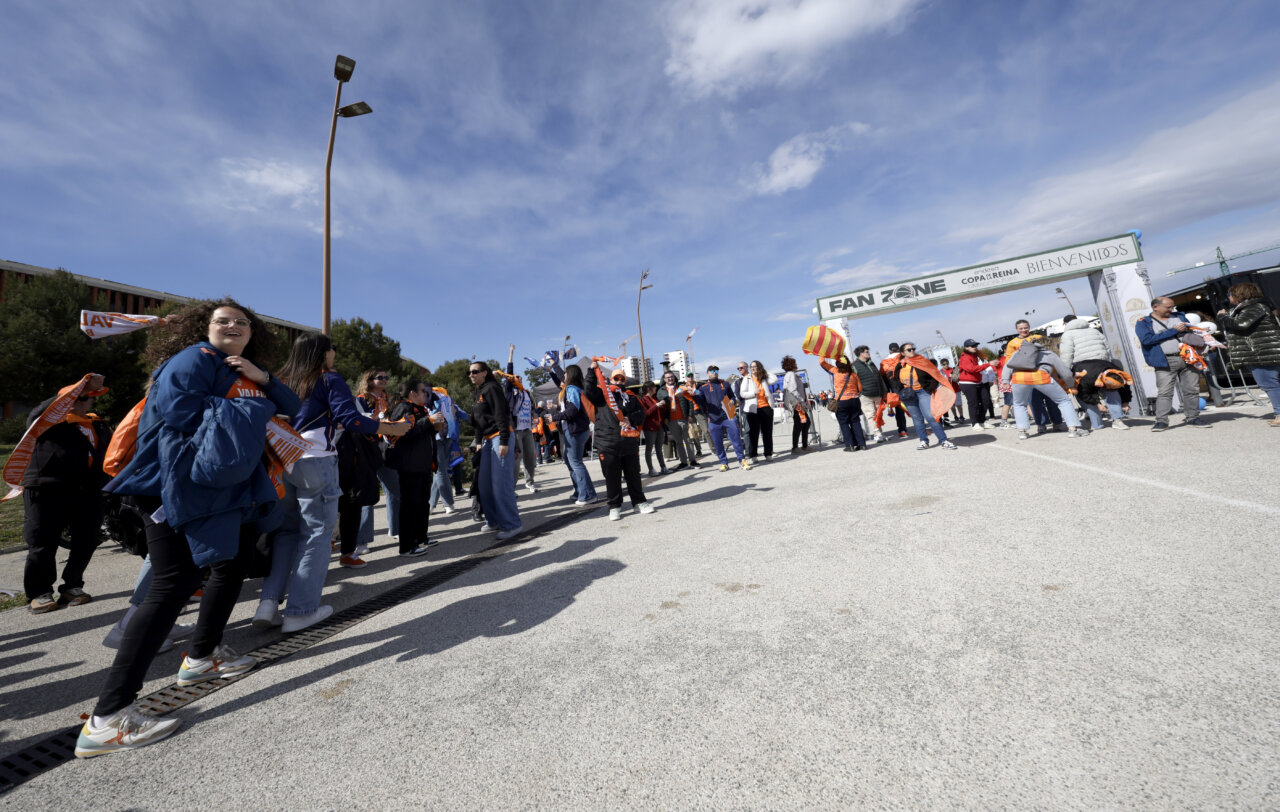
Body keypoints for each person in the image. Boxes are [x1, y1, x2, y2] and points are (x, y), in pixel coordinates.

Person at [76, 298, 299, 758]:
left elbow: (292, 407)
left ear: (252, 332)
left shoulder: (237, 367)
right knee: (172, 584)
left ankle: (201, 658)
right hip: (172, 487)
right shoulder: (194, 359)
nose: (233, 326)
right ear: (205, 326)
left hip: (214, 490)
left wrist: (264, 381)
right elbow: (182, 416)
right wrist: (257, 409)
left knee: (231, 564)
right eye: (223, 320)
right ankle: (107, 719)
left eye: (242, 322)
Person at [256, 333, 405, 632]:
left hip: (282, 461)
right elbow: (351, 418)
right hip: (316, 459)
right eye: (332, 349)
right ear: (323, 353)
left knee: (286, 533)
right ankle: (300, 611)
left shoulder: (281, 379)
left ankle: (268, 605)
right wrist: (391, 427)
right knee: (317, 535)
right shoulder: (327, 378)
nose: (334, 354)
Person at [18, 374, 113, 613]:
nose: (79, 403)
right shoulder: (46, 422)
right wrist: (75, 388)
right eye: (74, 398)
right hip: (47, 489)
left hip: (88, 490)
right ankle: (39, 592)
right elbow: (41, 412)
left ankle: (72, 586)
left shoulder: (97, 423)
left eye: (85, 398)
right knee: (42, 541)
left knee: (87, 539)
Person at [585, 363, 655, 520]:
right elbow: (588, 390)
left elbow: (641, 414)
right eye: (616, 378)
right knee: (612, 476)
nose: (619, 381)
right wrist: (591, 370)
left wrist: (631, 419)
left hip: (628, 441)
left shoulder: (630, 396)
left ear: (625, 381)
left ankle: (639, 502)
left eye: (622, 379)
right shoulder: (601, 394)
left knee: (633, 474)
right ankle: (614, 506)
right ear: (611, 379)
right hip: (607, 442)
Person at [1136, 297, 1209, 431]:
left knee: (1192, 389)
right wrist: (1174, 330)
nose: (1172, 310)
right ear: (1155, 307)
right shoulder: (1144, 322)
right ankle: (1161, 421)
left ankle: (1192, 417)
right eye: (1168, 307)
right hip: (1164, 361)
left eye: (1172, 307)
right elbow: (1147, 340)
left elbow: (1190, 333)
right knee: (1165, 392)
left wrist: (1202, 336)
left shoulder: (1180, 316)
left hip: (1188, 358)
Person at [383, 380, 438, 556]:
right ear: (412, 393)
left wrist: (435, 426)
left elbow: (423, 434)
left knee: (423, 503)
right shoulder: (404, 408)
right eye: (424, 391)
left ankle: (421, 537)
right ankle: (407, 546)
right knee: (410, 505)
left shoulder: (420, 409)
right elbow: (401, 434)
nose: (426, 395)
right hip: (409, 466)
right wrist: (428, 421)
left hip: (422, 465)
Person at [469, 361, 522, 539]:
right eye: (469, 373)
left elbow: (501, 414)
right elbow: (478, 420)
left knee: (501, 484)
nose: (471, 375)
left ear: (485, 373)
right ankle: (493, 521)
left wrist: (505, 441)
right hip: (488, 440)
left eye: (475, 371)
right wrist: (477, 440)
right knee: (484, 484)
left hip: (500, 436)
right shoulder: (478, 392)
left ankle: (512, 524)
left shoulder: (492, 388)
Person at [1000, 335, 1088, 440]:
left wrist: (1005, 380)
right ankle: (1074, 429)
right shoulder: (1048, 353)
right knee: (1063, 401)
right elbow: (1065, 372)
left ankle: (1022, 432)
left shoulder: (1019, 352)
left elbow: (1007, 366)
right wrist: (1071, 384)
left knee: (1019, 404)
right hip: (1040, 377)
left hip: (1018, 378)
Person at [1217, 281, 1280, 425]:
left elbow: (1241, 324)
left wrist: (1223, 317)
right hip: (1260, 351)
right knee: (1270, 383)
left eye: (1229, 294)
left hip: (1262, 352)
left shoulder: (1254, 306)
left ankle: (1279, 413)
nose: (1228, 297)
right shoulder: (1250, 307)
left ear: (1239, 294)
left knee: (1269, 384)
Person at [353, 369, 402, 544]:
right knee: (367, 493)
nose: (384, 380)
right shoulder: (360, 400)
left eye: (386, 377)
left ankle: (395, 529)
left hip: (387, 449)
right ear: (369, 380)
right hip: (367, 448)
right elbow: (357, 421)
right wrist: (377, 420)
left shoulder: (389, 400)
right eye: (380, 377)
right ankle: (363, 541)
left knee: (395, 489)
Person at [1058, 316, 1128, 431]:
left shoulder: (1067, 335)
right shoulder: (1094, 331)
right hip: (1103, 364)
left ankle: (1097, 424)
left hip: (1083, 367)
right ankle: (1117, 420)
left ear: (1066, 324)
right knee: (1110, 390)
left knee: (1086, 394)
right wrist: (1107, 363)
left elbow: (1066, 355)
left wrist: (1065, 372)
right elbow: (1107, 349)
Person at [889, 343, 958, 450]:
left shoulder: (922, 361)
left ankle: (943, 440)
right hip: (908, 394)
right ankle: (923, 441)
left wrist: (929, 388)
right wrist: (900, 390)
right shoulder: (899, 365)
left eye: (913, 349)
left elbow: (934, 374)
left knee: (931, 417)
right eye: (909, 350)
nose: (912, 351)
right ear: (902, 353)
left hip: (923, 392)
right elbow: (895, 379)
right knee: (917, 419)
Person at [550, 363, 599, 503]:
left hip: (575, 431)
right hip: (573, 430)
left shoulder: (571, 389)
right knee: (570, 461)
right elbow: (558, 379)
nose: (563, 375)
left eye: (565, 373)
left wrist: (554, 417)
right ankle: (581, 491)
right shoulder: (572, 388)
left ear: (570, 375)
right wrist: (552, 367)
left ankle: (587, 495)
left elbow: (572, 410)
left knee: (576, 463)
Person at [692, 365, 751, 471]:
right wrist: (693, 395)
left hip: (729, 416)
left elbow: (732, 396)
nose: (714, 372)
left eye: (716, 370)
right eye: (712, 371)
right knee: (717, 442)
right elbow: (700, 401)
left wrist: (732, 400)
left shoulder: (725, 384)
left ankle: (742, 461)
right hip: (713, 419)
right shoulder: (703, 387)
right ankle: (724, 463)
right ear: (708, 374)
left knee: (736, 439)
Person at [503, 345, 538, 492]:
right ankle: (511, 488)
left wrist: (535, 415)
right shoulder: (510, 392)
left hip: (527, 429)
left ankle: (530, 482)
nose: (518, 379)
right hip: (516, 430)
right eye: (516, 378)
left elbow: (531, 409)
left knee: (531, 459)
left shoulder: (526, 393)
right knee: (516, 461)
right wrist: (511, 353)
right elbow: (509, 372)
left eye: (520, 378)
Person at [428, 384, 468, 513]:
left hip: (438, 436)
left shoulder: (427, 399)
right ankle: (439, 503)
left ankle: (439, 504)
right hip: (449, 435)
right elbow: (465, 416)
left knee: (440, 471)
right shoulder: (447, 398)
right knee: (441, 471)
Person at [819, 356, 865, 451]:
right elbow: (860, 389)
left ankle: (850, 445)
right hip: (854, 400)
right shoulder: (853, 374)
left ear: (837, 364)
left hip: (842, 401)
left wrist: (822, 354)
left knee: (844, 423)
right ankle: (862, 444)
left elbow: (822, 363)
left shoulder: (835, 371)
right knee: (855, 422)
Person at [657, 369, 698, 470]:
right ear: (664, 379)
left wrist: (690, 415)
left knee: (688, 441)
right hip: (671, 420)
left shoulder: (681, 387)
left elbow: (690, 401)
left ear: (674, 378)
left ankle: (693, 461)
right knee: (678, 442)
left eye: (671, 377)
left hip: (683, 418)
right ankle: (683, 462)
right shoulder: (661, 391)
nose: (670, 379)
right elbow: (661, 408)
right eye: (668, 377)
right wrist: (664, 418)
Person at [738, 360, 778, 461]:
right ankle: (753, 455)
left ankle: (768, 453)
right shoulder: (747, 379)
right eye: (751, 367)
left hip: (766, 407)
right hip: (753, 409)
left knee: (767, 432)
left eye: (755, 366)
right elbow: (742, 394)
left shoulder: (763, 378)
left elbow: (774, 379)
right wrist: (753, 392)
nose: (753, 368)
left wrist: (764, 371)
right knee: (753, 433)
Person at [850, 346, 888, 443]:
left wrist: (884, 392)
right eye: (866, 352)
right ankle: (877, 434)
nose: (868, 353)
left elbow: (879, 378)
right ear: (861, 354)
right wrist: (859, 393)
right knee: (871, 415)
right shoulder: (854, 365)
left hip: (877, 393)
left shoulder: (871, 363)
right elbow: (852, 381)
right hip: (865, 394)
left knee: (879, 415)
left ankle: (879, 433)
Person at [957, 340, 994, 430]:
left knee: (985, 401)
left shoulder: (974, 355)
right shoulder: (965, 357)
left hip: (977, 382)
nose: (975, 347)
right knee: (973, 403)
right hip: (967, 383)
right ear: (966, 348)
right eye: (972, 346)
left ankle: (981, 421)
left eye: (976, 346)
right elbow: (972, 369)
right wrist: (988, 364)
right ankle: (975, 423)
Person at [780, 356, 813, 452]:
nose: (796, 365)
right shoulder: (791, 375)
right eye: (795, 363)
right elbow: (793, 389)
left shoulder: (791, 375)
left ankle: (803, 445)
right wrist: (802, 399)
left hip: (797, 402)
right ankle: (796, 447)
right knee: (800, 424)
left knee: (804, 423)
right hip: (797, 403)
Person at [878, 344, 910, 438]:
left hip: (894, 389)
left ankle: (902, 430)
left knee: (899, 408)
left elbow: (883, 378)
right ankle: (921, 427)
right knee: (914, 406)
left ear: (889, 351)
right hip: (907, 385)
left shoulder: (884, 362)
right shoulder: (904, 358)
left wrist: (887, 394)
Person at [639, 382, 668, 476]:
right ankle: (651, 469)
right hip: (650, 427)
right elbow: (645, 413)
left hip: (659, 425)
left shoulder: (655, 398)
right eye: (654, 387)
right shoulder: (643, 399)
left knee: (659, 448)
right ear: (649, 389)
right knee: (649, 449)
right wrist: (656, 406)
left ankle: (663, 467)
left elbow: (660, 412)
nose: (656, 388)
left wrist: (663, 405)